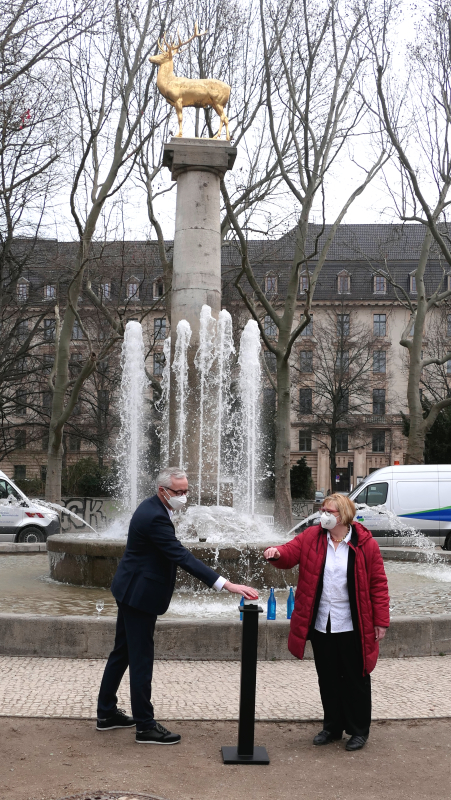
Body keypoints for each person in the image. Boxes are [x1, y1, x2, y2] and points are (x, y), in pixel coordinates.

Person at [97, 466, 258, 745]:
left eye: (186, 491)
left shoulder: (153, 507)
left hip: (130, 588)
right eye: (179, 492)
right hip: (139, 595)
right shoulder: (154, 517)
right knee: (140, 660)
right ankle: (145, 726)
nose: (185, 497)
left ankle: (106, 714)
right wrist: (225, 584)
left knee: (122, 652)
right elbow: (181, 556)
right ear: (163, 491)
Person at [264, 492, 389, 752]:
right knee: (328, 676)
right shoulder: (312, 536)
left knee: (355, 677)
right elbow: (289, 553)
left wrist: (381, 621)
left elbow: (378, 585)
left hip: (353, 623)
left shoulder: (365, 543)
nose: (323, 515)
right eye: (322, 510)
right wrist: (276, 553)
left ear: (343, 515)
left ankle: (358, 730)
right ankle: (332, 726)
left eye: (328, 512)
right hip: (322, 622)